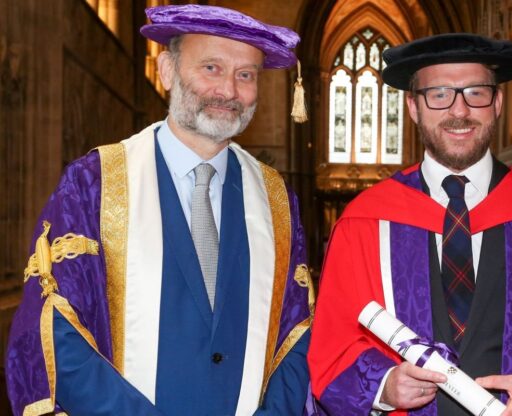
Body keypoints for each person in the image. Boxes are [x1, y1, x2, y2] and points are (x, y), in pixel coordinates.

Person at [6, 4, 313, 415]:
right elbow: (55, 327)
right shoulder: (95, 183)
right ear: (167, 71)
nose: (229, 91)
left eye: (246, 75)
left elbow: (296, 333)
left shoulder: (276, 199)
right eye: (211, 68)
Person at [308, 33, 512, 415]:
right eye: (439, 94)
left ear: (498, 103)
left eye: (476, 92)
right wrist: (384, 386)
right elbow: (333, 347)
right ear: (412, 106)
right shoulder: (364, 222)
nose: (459, 111)